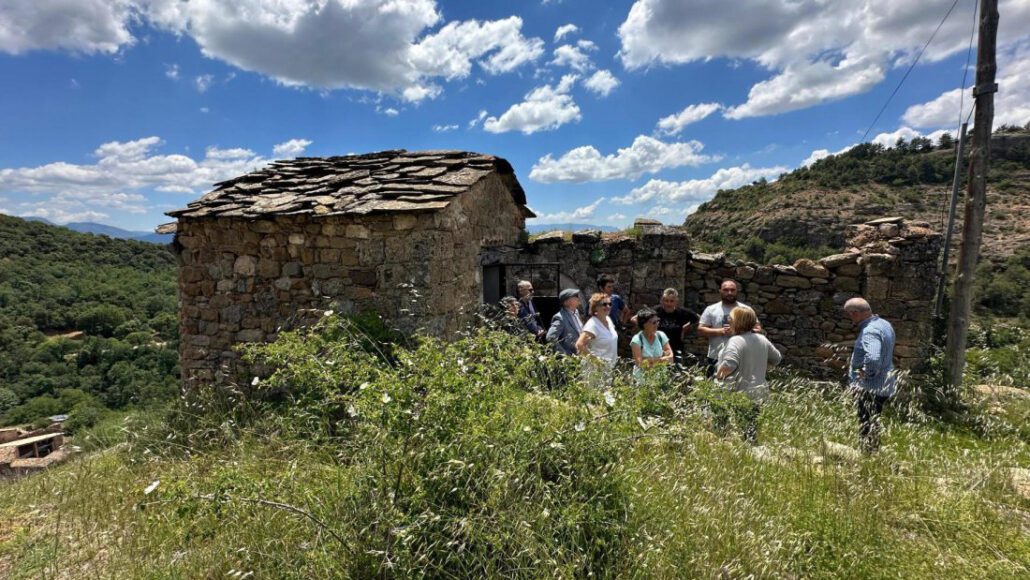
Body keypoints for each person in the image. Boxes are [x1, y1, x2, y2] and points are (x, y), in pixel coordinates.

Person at [715, 305, 782, 442]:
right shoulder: (762, 339)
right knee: (750, 433)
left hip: (735, 393)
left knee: (724, 432)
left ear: (739, 321)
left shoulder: (735, 341)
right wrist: (761, 367)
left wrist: (718, 376)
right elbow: (777, 358)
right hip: (757, 392)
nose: (729, 321)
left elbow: (729, 364)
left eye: (731, 318)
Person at [844, 297, 896, 453]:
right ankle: (873, 451)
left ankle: (867, 455)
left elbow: (873, 358)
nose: (850, 319)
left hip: (871, 387)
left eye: (849, 315)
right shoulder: (884, 324)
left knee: (866, 422)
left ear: (854, 314)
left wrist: (866, 373)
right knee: (874, 420)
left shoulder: (869, 331)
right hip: (885, 383)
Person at [698, 280, 759, 377]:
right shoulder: (711, 309)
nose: (729, 293)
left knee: (741, 388)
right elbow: (701, 329)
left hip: (742, 356)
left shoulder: (746, 309)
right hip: (716, 356)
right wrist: (720, 331)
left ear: (736, 291)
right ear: (720, 291)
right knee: (714, 387)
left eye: (732, 290)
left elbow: (758, 328)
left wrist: (740, 331)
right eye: (726, 290)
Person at [576, 293, 619, 387]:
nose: (608, 306)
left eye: (609, 304)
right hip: (595, 370)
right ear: (595, 308)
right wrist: (595, 361)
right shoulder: (593, 324)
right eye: (604, 304)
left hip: (609, 368)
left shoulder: (608, 319)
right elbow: (580, 344)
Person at [653, 288, 699, 365]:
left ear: (676, 302)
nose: (668, 304)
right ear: (662, 300)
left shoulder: (681, 312)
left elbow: (697, 318)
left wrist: (685, 328)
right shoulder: (656, 311)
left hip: (676, 347)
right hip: (657, 348)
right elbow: (637, 318)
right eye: (666, 301)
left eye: (671, 301)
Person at [630, 308, 673, 381]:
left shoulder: (661, 335)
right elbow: (640, 364)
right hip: (642, 381)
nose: (657, 324)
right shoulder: (637, 340)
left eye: (657, 321)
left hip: (660, 379)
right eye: (654, 322)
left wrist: (649, 360)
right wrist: (662, 359)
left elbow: (671, 359)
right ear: (644, 324)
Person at [546, 288, 584, 355]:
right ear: (566, 302)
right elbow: (550, 338)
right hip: (572, 358)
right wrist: (564, 354)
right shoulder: (560, 318)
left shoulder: (576, 312)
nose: (578, 298)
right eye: (575, 296)